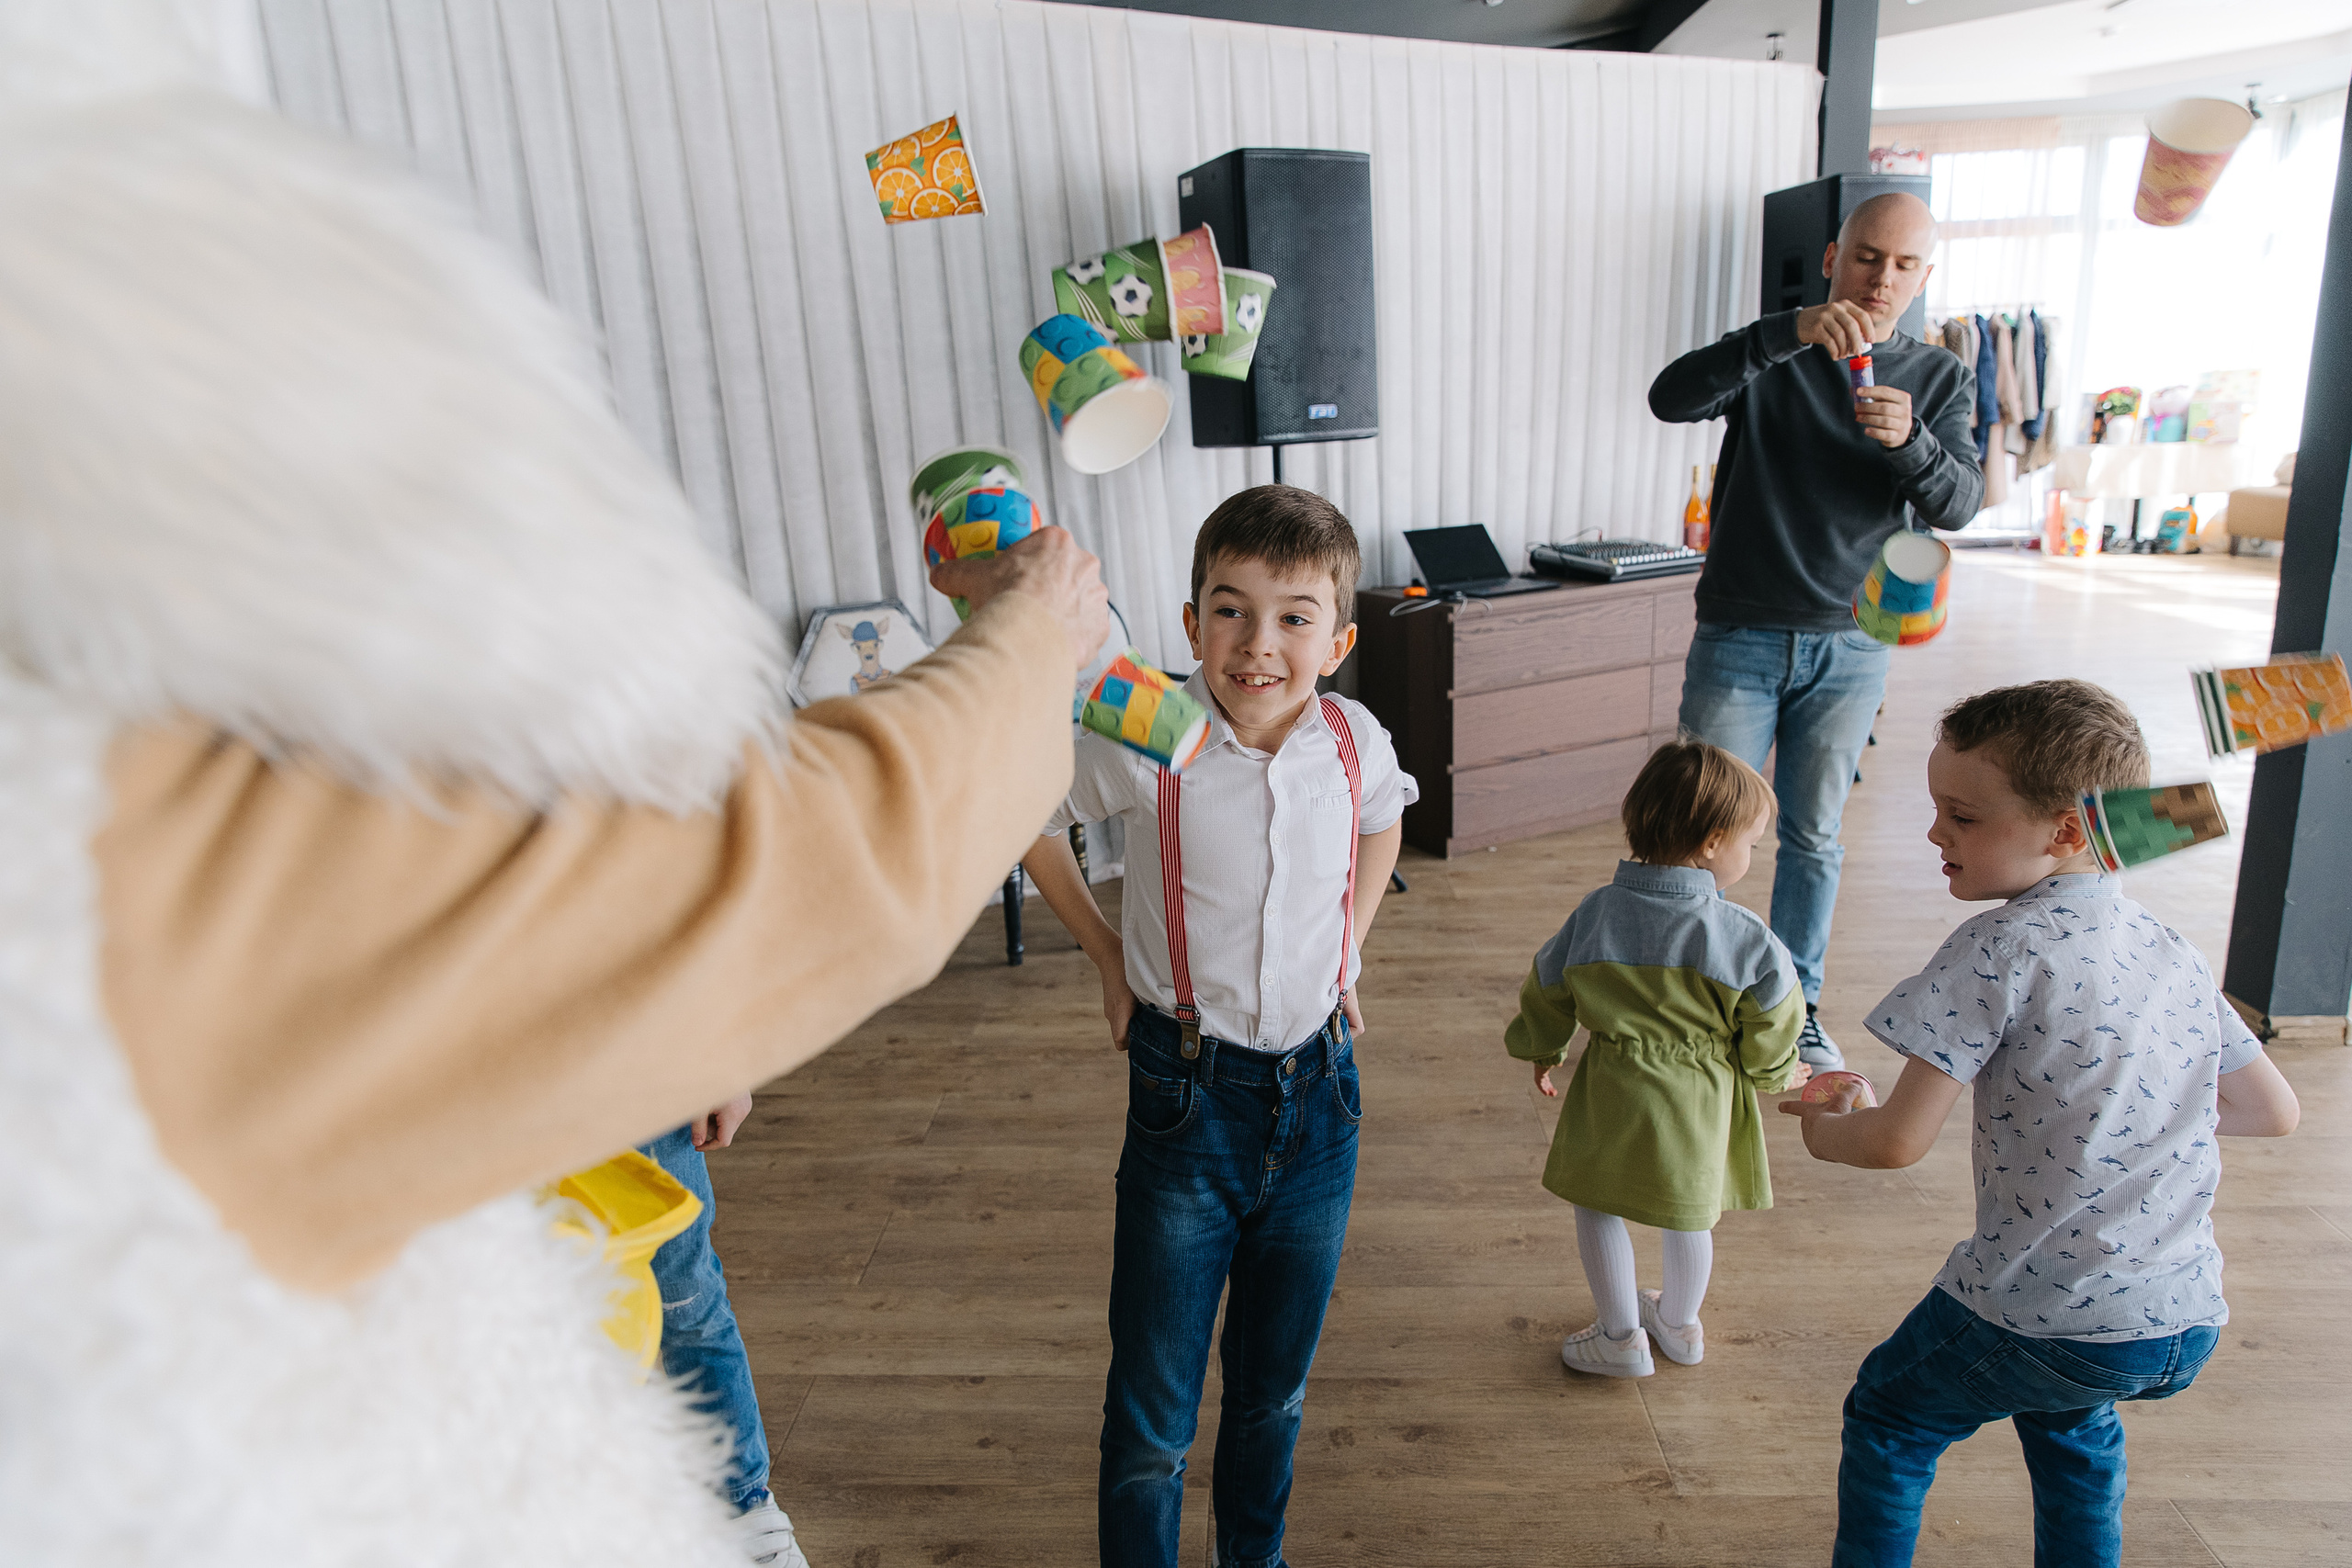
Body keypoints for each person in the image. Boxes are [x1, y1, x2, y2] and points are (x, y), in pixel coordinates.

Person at [1780, 681, 2301, 1568]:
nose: (1936, 833)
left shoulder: (1994, 951)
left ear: (2065, 831)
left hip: (2042, 1305)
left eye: (1963, 816)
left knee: (1893, 1414)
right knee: (2071, 1419)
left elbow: (1897, 1141)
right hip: (2178, 1314)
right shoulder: (2167, 945)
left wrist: (1828, 1124)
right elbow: (2271, 1110)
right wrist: (2129, 1111)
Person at [1016, 486, 1415, 1568]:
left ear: (1336, 640)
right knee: (1153, 1409)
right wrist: (1107, 954)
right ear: (1191, 625)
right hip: (1186, 1096)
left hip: (1322, 1097)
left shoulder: (1352, 737)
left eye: (1294, 617)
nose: (1258, 644)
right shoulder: (1150, 735)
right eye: (1230, 610)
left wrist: (1349, 952)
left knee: (1272, 1391)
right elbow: (1028, 814)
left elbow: (1383, 821)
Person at [1648, 191, 1984, 1071]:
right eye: (1869, 256)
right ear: (1836, 253)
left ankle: (1793, 1006)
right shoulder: (1775, 351)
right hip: (1740, 630)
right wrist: (1779, 334)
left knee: (1814, 836)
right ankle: (1688, 999)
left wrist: (1910, 444)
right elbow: (1669, 399)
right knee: (1694, 827)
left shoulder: (1939, 376)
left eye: (1905, 264)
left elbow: (1959, 503)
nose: (1882, 277)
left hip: (1855, 641)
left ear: (1924, 276)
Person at [1504, 739, 1811, 1379]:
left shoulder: (1596, 913)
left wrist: (1543, 1046)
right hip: (1699, 1095)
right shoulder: (1745, 937)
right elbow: (1777, 1016)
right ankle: (1678, 1322)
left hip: (1613, 1085)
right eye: (1750, 842)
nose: (1752, 855)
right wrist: (1775, 1071)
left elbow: (1549, 982)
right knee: (1691, 1210)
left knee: (1598, 1203)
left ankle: (1619, 1335)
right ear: (1711, 842)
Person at [641, 1098, 810, 1568]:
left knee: (685, 1298)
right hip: (477, 1085)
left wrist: (721, 1060)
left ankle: (743, 1513)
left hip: (637, 1077)